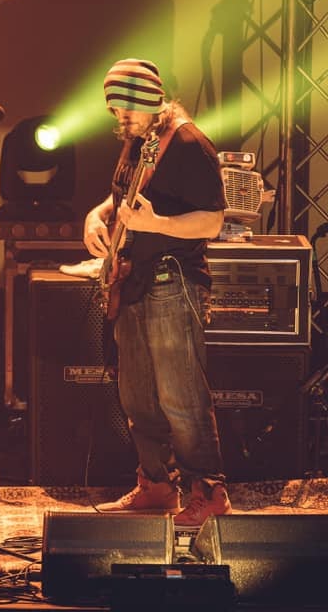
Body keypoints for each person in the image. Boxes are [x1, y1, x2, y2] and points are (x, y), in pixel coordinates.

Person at [82, 59, 232, 528]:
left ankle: (207, 492)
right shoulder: (140, 139)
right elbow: (123, 194)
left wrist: (156, 225)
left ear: (147, 101)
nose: (119, 120)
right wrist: (97, 212)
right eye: (114, 111)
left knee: (180, 396)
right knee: (138, 394)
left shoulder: (187, 143)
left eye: (125, 109)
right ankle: (157, 485)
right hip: (134, 279)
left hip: (173, 280)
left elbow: (212, 219)